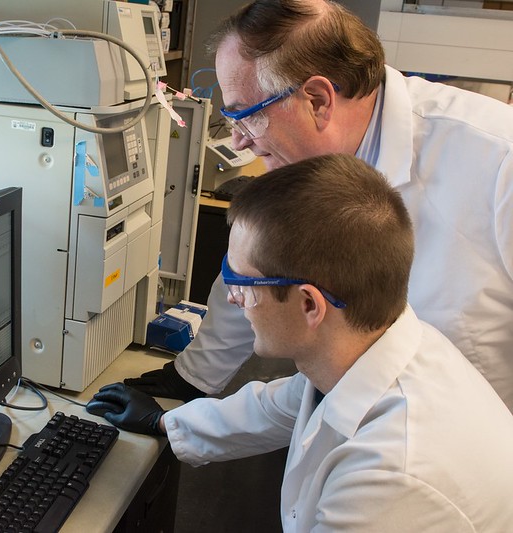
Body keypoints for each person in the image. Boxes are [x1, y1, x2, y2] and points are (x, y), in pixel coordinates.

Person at [88, 154, 513, 531]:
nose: (233, 299)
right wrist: (161, 423)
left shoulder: (391, 476)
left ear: (310, 304)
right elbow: (278, 406)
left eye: (241, 283)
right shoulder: (376, 348)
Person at [125, 0, 513, 411]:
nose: (238, 140)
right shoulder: (313, 157)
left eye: (247, 116)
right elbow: (255, 271)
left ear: (317, 100)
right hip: (360, 423)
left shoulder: (497, 160)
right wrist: (191, 379)